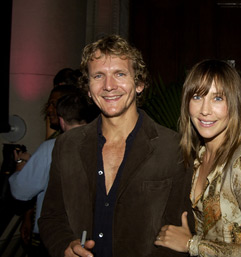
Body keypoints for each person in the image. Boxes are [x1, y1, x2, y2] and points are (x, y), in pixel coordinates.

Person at [38, 34, 192, 257]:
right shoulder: (67, 145)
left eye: (120, 74)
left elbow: (179, 233)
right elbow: (52, 216)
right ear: (89, 89)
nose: (109, 86)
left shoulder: (173, 148)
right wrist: (65, 246)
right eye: (98, 76)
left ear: (139, 83)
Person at [154, 59, 241, 256]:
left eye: (218, 98)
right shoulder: (197, 156)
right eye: (197, 97)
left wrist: (192, 244)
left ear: (234, 104)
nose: (205, 110)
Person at [9, 92, 91, 257]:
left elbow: (21, 191)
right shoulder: (103, 146)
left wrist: (20, 165)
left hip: (55, 238)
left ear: (61, 120)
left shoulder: (52, 148)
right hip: (88, 237)